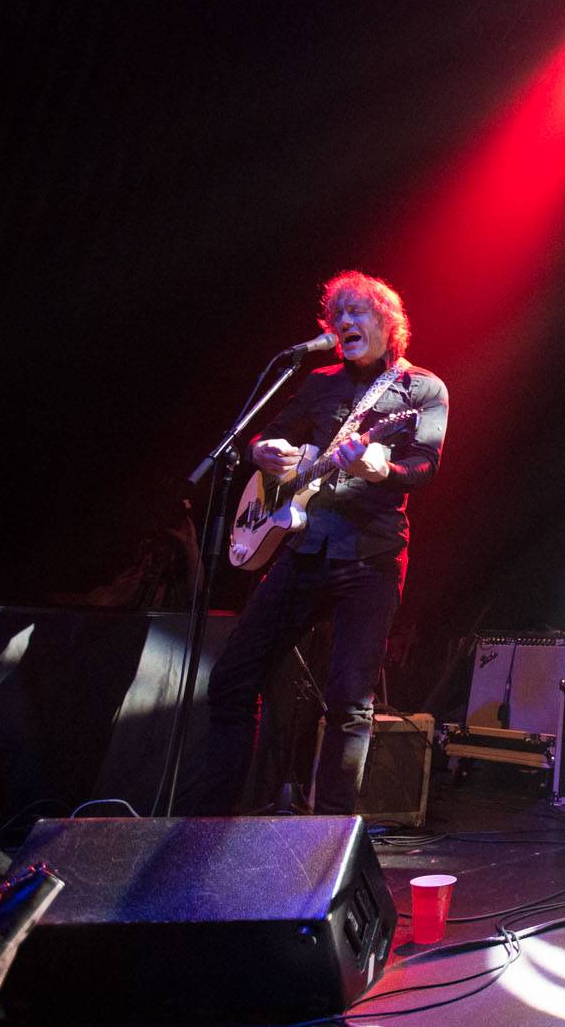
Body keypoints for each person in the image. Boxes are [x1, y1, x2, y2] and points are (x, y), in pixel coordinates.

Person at [189, 270, 448, 815]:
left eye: (358, 313)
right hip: (304, 548)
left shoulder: (421, 389)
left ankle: (330, 842)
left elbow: (423, 465)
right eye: (338, 315)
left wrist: (384, 469)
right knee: (232, 679)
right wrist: (264, 450)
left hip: (370, 557)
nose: (344, 322)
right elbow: (269, 436)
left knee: (348, 704)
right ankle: (210, 822)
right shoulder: (317, 382)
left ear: (388, 322)